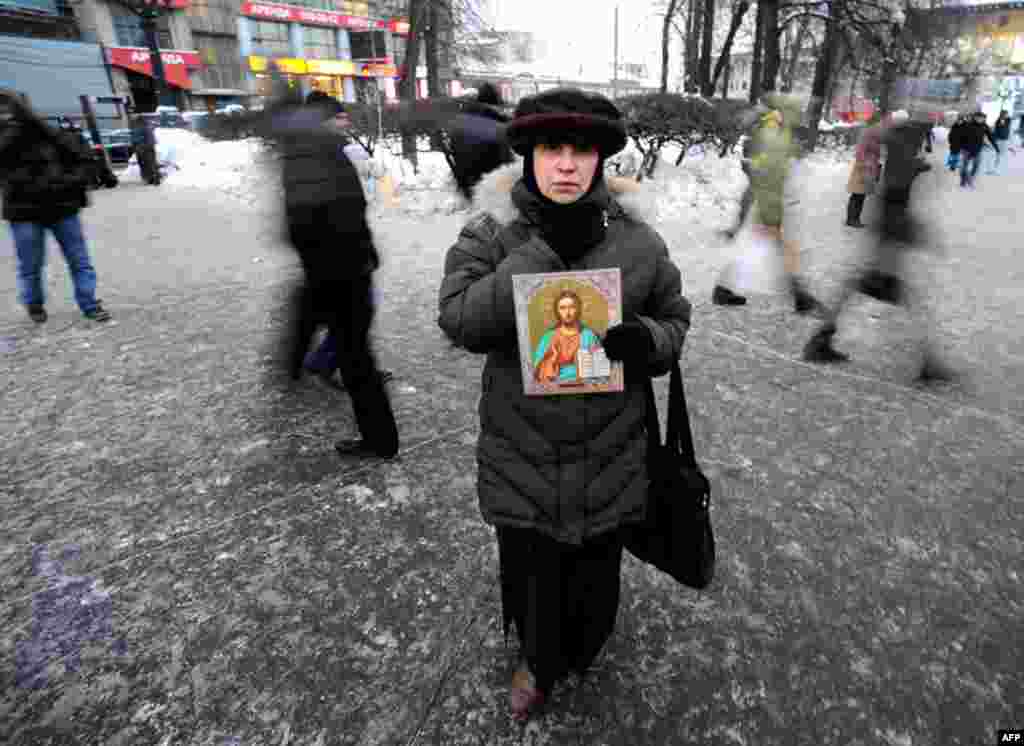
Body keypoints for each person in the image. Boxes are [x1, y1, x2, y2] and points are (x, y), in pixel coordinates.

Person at [438, 88, 691, 720]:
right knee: (534, 575)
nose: (568, 165)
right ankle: (535, 659)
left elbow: (675, 318)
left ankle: (580, 645)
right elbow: (460, 319)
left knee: (595, 576)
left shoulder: (639, 242)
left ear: (601, 159)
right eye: (553, 148)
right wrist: (542, 251)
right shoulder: (491, 234)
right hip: (522, 450)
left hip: (611, 451)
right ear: (529, 156)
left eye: (582, 150)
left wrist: (651, 340)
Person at [271, 90, 399, 459]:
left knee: (356, 357)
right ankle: (299, 365)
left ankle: (380, 440)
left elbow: (307, 221)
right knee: (347, 346)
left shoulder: (304, 155)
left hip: (335, 270)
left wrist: (328, 260)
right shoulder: (324, 150)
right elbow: (351, 207)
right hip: (346, 266)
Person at [803, 112, 953, 382]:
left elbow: (903, 174)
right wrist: (916, 233)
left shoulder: (901, 153)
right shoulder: (902, 158)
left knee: (854, 288)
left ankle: (821, 338)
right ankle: (928, 363)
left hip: (886, 241)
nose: (920, 141)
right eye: (917, 136)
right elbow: (895, 204)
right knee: (908, 301)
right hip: (887, 245)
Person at [0, 89, 111, 324]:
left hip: (61, 207)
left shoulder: (52, 135)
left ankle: (89, 303)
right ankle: (34, 303)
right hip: (23, 212)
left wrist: (67, 183)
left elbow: (82, 162)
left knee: (78, 260)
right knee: (31, 264)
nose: (5, 115)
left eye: (8, 109)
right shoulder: (5, 140)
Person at [711, 102, 768, 306]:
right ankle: (722, 289)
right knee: (748, 247)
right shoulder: (756, 142)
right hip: (756, 197)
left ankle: (723, 288)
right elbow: (755, 171)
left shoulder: (755, 140)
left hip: (755, 197)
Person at [448, 83, 515, 201]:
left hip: (464, 174)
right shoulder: (493, 118)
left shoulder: (464, 115)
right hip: (486, 175)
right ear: (493, 103)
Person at [532, 289, 603, 383]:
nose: (567, 313)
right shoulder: (548, 337)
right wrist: (551, 360)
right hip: (555, 386)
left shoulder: (589, 335)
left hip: (584, 386)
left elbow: (599, 370)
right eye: (562, 308)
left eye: (572, 307)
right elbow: (539, 373)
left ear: (578, 309)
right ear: (557, 311)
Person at [845, 115, 884, 228]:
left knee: (860, 195)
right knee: (857, 194)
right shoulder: (868, 133)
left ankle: (855, 218)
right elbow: (860, 152)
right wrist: (865, 164)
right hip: (863, 168)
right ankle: (852, 219)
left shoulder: (873, 134)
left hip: (868, 167)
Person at [958, 110, 999, 189]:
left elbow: (991, 137)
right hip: (966, 150)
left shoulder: (984, 126)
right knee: (964, 167)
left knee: (976, 166)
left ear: (984, 119)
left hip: (978, 150)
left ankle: (970, 178)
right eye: (978, 118)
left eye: (982, 118)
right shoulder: (968, 125)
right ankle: (963, 180)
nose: (980, 119)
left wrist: (996, 147)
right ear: (975, 118)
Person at [130, 115, 160, 186]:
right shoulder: (137, 128)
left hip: (145, 149)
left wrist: (146, 147)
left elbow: (150, 139)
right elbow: (134, 140)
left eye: (136, 120)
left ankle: (154, 178)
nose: (135, 122)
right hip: (141, 149)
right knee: (145, 164)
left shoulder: (145, 128)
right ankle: (149, 178)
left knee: (149, 164)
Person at [988, 110, 1012, 174]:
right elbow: (996, 130)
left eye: (1006, 114)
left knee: (1001, 155)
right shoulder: (997, 121)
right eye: (1003, 114)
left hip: (1004, 140)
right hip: (998, 140)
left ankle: (996, 168)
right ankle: (992, 169)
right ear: (1001, 114)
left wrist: (1002, 120)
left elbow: (1006, 125)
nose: (1005, 115)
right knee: (996, 154)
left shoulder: (1008, 120)